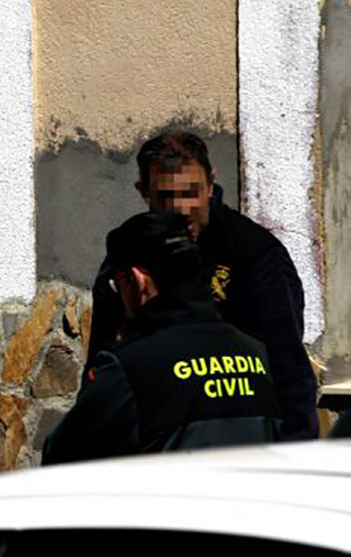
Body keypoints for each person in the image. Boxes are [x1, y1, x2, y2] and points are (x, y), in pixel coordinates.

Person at [87, 132, 319, 441]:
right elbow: (100, 363)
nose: (181, 209)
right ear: (143, 192)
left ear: (210, 183)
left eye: (191, 192)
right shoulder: (130, 253)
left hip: (241, 437)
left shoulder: (252, 252)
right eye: (167, 197)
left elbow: (290, 375)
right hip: (157, 438)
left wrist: (293, 461)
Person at [43, 212, 281, 465]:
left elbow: (64, 458)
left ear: (137, 281)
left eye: (118, 285)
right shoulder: (255, 354)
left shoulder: (128, 368)